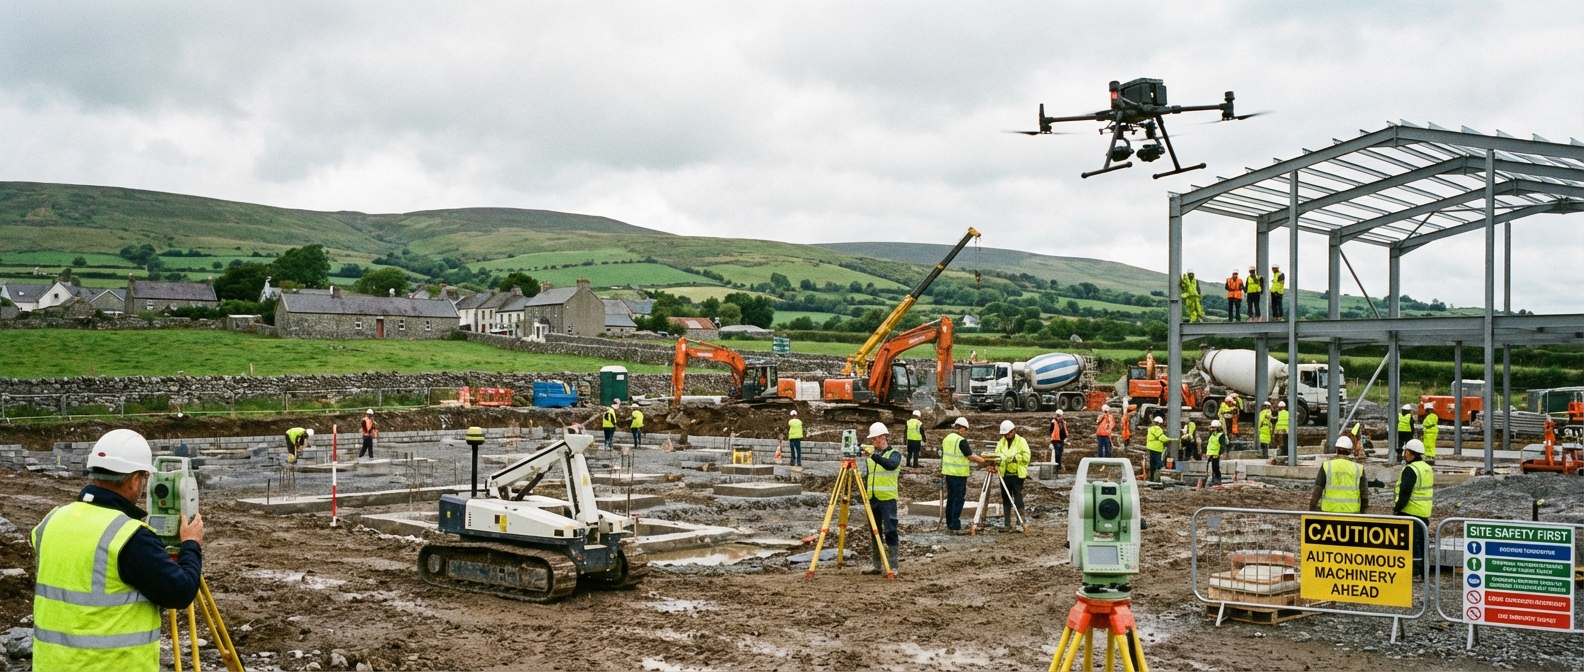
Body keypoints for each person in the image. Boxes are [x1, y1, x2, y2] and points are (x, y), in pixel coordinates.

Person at [30, 429, 204, 671]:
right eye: (143, 477)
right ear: (134, 479)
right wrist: (191, 544)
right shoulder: (129, 537)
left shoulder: (51, 521)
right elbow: (181, 591)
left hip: (52, 664)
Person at [861, 422, 903, 575]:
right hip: (872, 499)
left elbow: (890, 465)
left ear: (883, 437)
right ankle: (877, 565)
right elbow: (868, 477)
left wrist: (873, 455)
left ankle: (893, 566)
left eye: (874, 439)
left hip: (887, 499)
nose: (872, 442)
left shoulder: (895, 454)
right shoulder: (871, 457)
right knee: (875, 531)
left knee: (890, 530)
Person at [1395, 439, 1434, 578]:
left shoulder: (1410, 469)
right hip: (1423, 512)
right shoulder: (1426, 468)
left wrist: (1397, 508)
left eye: (1406, 451)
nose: (1404, 454)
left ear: (1412, 453)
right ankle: (1423, 571)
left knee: (1412, 543)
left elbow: (1405, 492)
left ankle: (1414, 571)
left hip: (1410, 511)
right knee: (1422, 543)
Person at [939, 417, 985, 533]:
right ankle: (955, 524)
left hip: (948, 473)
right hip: (959, 474)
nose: (965, 432)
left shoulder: (947, 439)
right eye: (965, 429)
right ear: (962, 428)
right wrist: (985, 461)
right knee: (958, 499)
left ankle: (950, 523)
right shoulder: (961, 441)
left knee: (951, 498)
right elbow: (970, 456)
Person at [1309, 436, 1368, 513]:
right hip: (1351, 512)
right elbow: (1364, 494)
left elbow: (1317, 490)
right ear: (1350, 451)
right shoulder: (1358, 468)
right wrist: (1363, 511)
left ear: (1337, 450)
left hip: (1329, 511)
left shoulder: (1327, 466)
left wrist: (1311, 509)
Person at [993, 420, 1031, 530]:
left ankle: (1020, 522)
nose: (1007, 436)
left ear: (1013, 431)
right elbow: (997, 454)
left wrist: (1015, 458)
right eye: (1005, 434)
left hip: (1017, 475)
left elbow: (1027, 456)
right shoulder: (1001, 442)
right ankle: (1007, 524)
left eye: (1008, 433)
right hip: (1005, 474)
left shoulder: (1021, 441)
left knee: (1018, 497)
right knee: (1006, 498)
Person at [1144, 416, 1178, 481]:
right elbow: (1162, 438)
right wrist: (1171, 439)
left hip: (1150, 448)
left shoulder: (1151, 428)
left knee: (1152, 464)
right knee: (1157, 464)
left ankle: (1152, 478)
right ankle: (1157, 479)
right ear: (1160, 423)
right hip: (1157, 448)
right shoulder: (1158, 429)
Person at [1204, 420, 1226, 484]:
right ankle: (1213, 479)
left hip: (1215, 454)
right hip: (1210, 453)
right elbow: (1209, 445)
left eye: (1213, 427)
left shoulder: (1221, 435)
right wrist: (1207, 453)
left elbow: (1222, 445)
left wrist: (1219, 453)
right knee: (1210, 468)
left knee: (1215, 467)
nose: (1211, 429)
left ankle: (1217, 479)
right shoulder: (1212, 435)